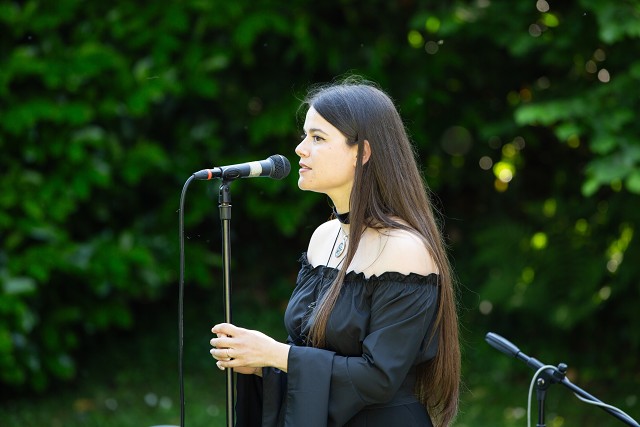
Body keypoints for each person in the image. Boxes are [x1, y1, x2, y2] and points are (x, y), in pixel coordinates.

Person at [209, 77, 461, 427]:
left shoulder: (406, 251)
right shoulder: (322, 238)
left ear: (363, 153)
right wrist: (260, 364)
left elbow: (379, 378)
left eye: (318, 138)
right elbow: (309, 357)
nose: (300, 149)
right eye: (304, 136)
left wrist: (277, 355)